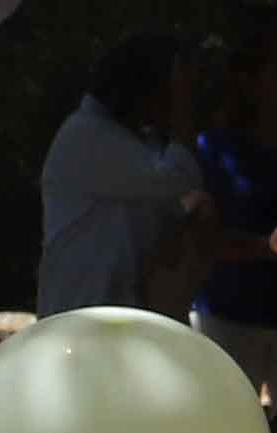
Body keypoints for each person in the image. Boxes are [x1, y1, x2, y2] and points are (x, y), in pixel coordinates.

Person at [38, 33, 218, 317]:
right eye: (167, 92)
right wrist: (183, 108)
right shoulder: (87, 136)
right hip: (83, 314)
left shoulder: (131, 141)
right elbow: (180, 177)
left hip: (114, 314)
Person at [186, 15, 277, 425]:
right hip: (228, 316)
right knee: (220, 429)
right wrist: (274, 253)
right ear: (250, 81)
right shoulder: (214, 150)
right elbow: (203, 238)